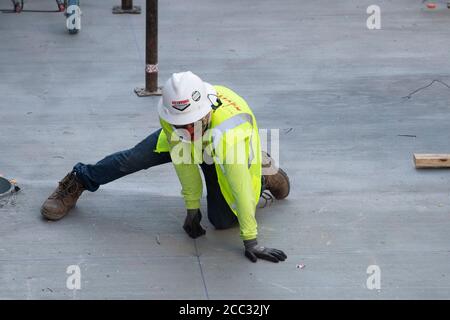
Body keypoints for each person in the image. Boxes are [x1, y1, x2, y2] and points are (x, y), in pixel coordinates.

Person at [41, 71, 290, 263]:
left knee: (223, 220)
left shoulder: (230, 134)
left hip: (223, 150)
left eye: (192, 123)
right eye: (182, 124)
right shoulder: (174, 117)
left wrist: (251, 240)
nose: (188, 131)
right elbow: (184, 163)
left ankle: (263, 173)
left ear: (205, 112)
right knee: (132, 158)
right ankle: (79, 179)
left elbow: (239, 185)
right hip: (200, 145)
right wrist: (192, 208)